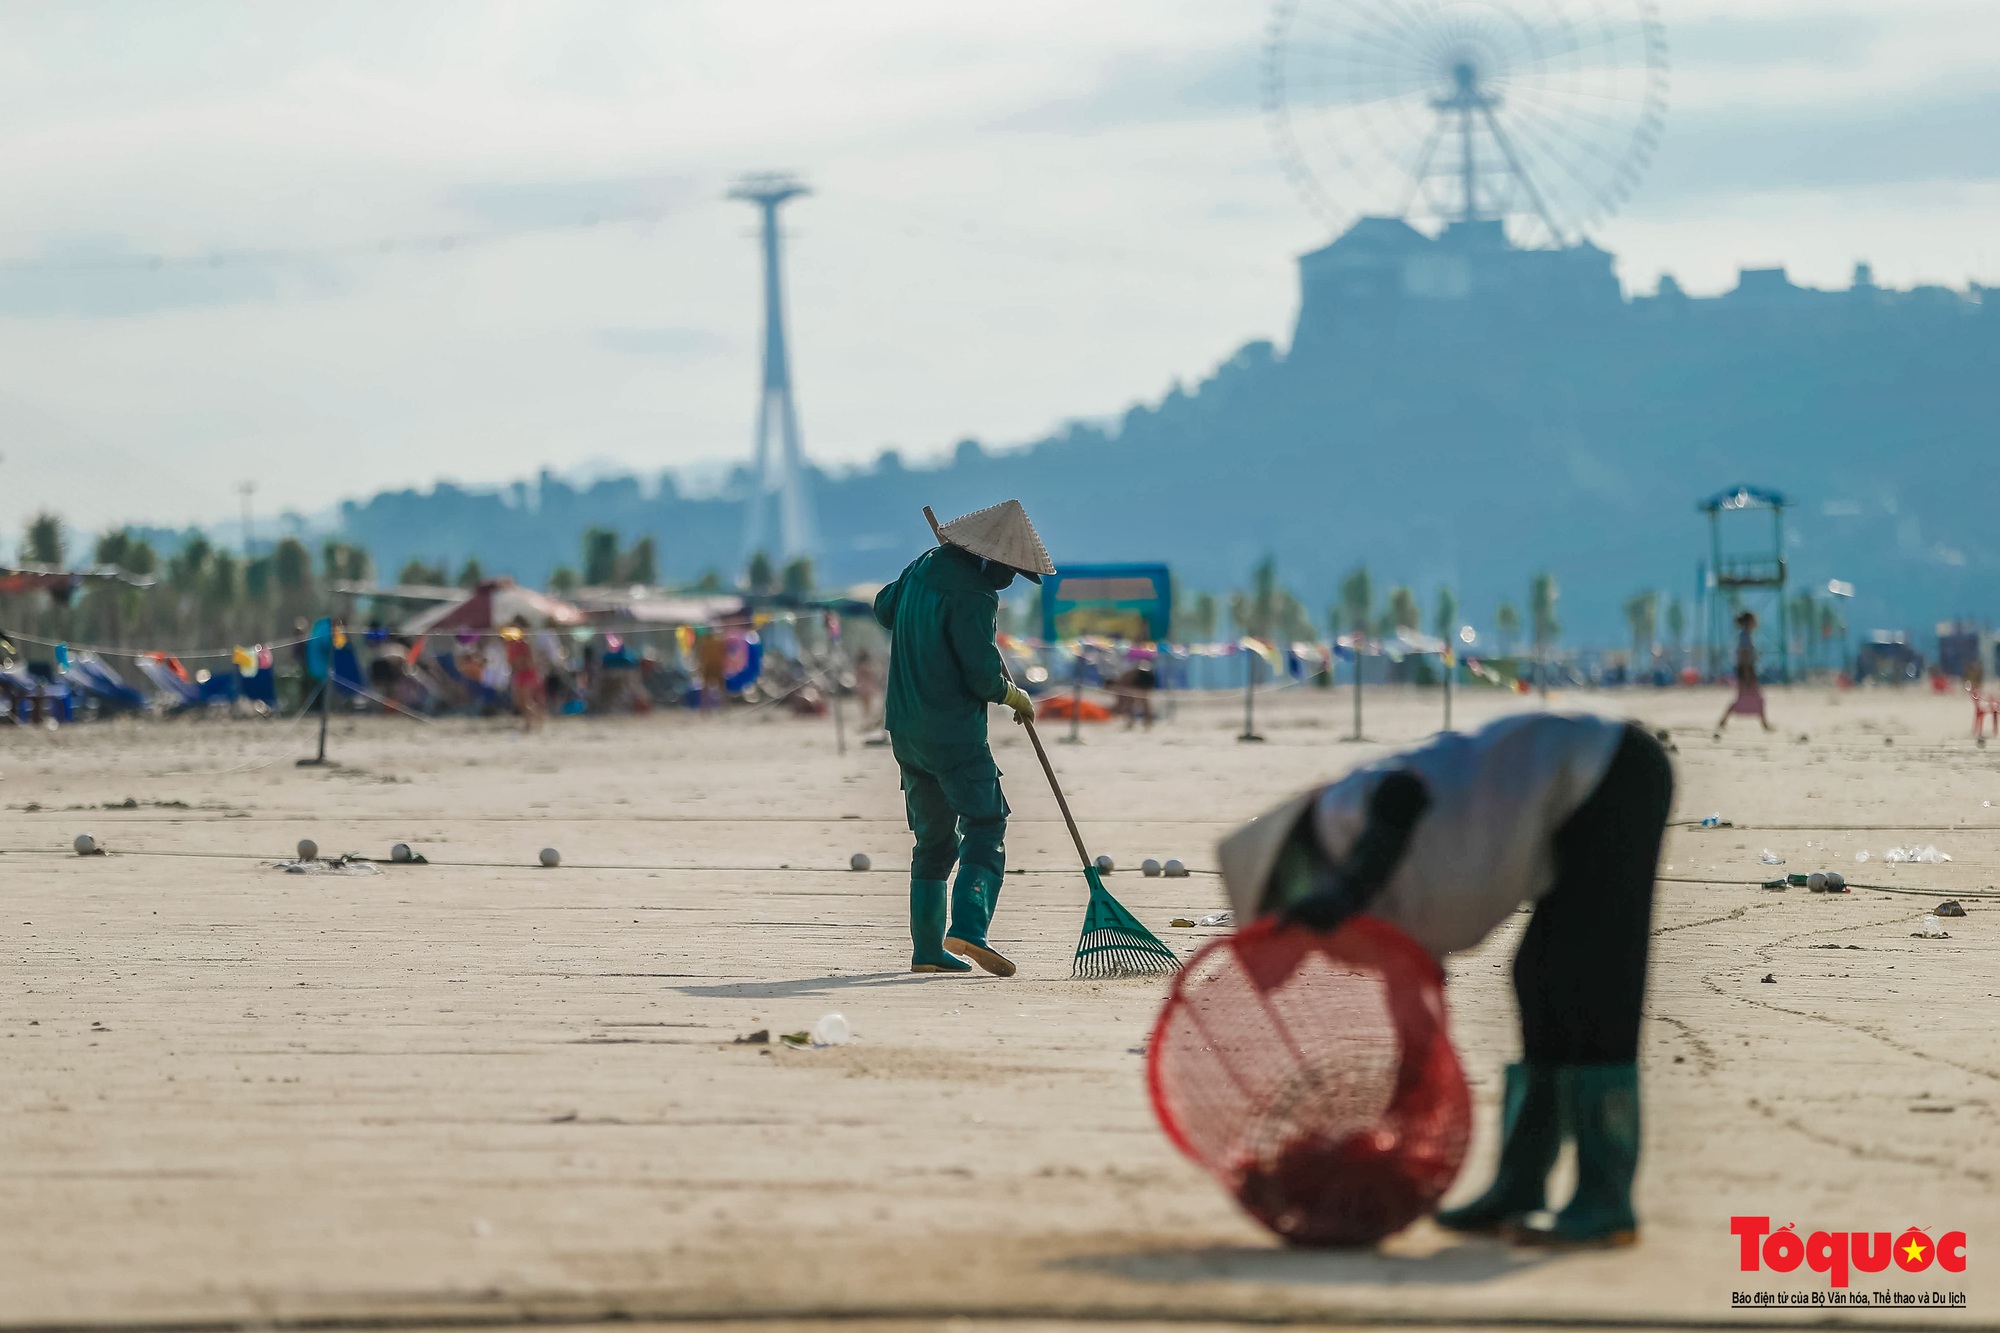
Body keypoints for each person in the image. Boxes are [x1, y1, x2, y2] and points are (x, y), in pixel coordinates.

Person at [1218, 711, 1673, 1247]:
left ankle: (1606, 1201)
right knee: (1539, 980)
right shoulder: (1379, 909)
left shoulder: (1339, 816)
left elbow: (1400, 797)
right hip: (1569, 812)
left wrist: (1349, 890)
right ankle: (1519, 1186)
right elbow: (1416, 993)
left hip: (1610, 773)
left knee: (1593, 983)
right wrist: (1407, 1092)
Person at [874, 500, 1055, 976]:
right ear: (987, 558)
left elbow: (884, 609)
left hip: (906, 729)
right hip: (953, 732)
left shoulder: (920, 569)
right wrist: (1011, 694)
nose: (1010, 580)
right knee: (985, 824)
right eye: (1010, 570)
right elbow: (979, 676)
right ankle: (970, 929)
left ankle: (928, 951)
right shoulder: (975, 594)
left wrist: (917, 582)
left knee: (932, 841)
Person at [1715, 609, 1772, 735]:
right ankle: (1764, 724)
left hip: (1746, 670)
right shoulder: (1745, 636)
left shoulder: (1746, 635)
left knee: (1748, 697)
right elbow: (1744, 655)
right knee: (1756, 697)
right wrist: (1747, 674)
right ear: (1749, 622)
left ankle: (1724, 721)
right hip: (1747, 670)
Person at [695, 628, 729, 713]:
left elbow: (699, 656)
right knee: (721, 688)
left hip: (709, 666)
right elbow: (724, 653)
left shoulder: (703, 642)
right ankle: (722, 707)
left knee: (706, 689)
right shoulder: (719, 641)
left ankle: (706, 709)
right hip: (716, 666)